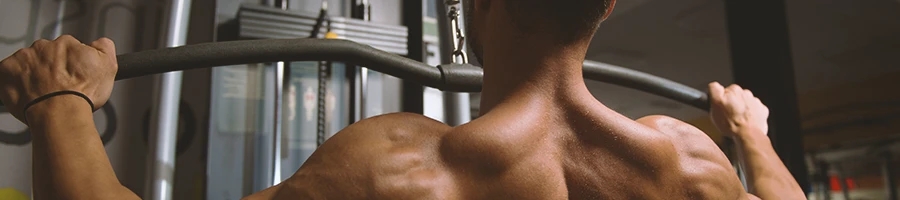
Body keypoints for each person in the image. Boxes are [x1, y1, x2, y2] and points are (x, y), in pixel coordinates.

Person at [0, 0, 806, 199]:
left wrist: (60, 101)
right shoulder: (693, 161)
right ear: (608, 5)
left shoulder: (403, 170)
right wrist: (752, 133)